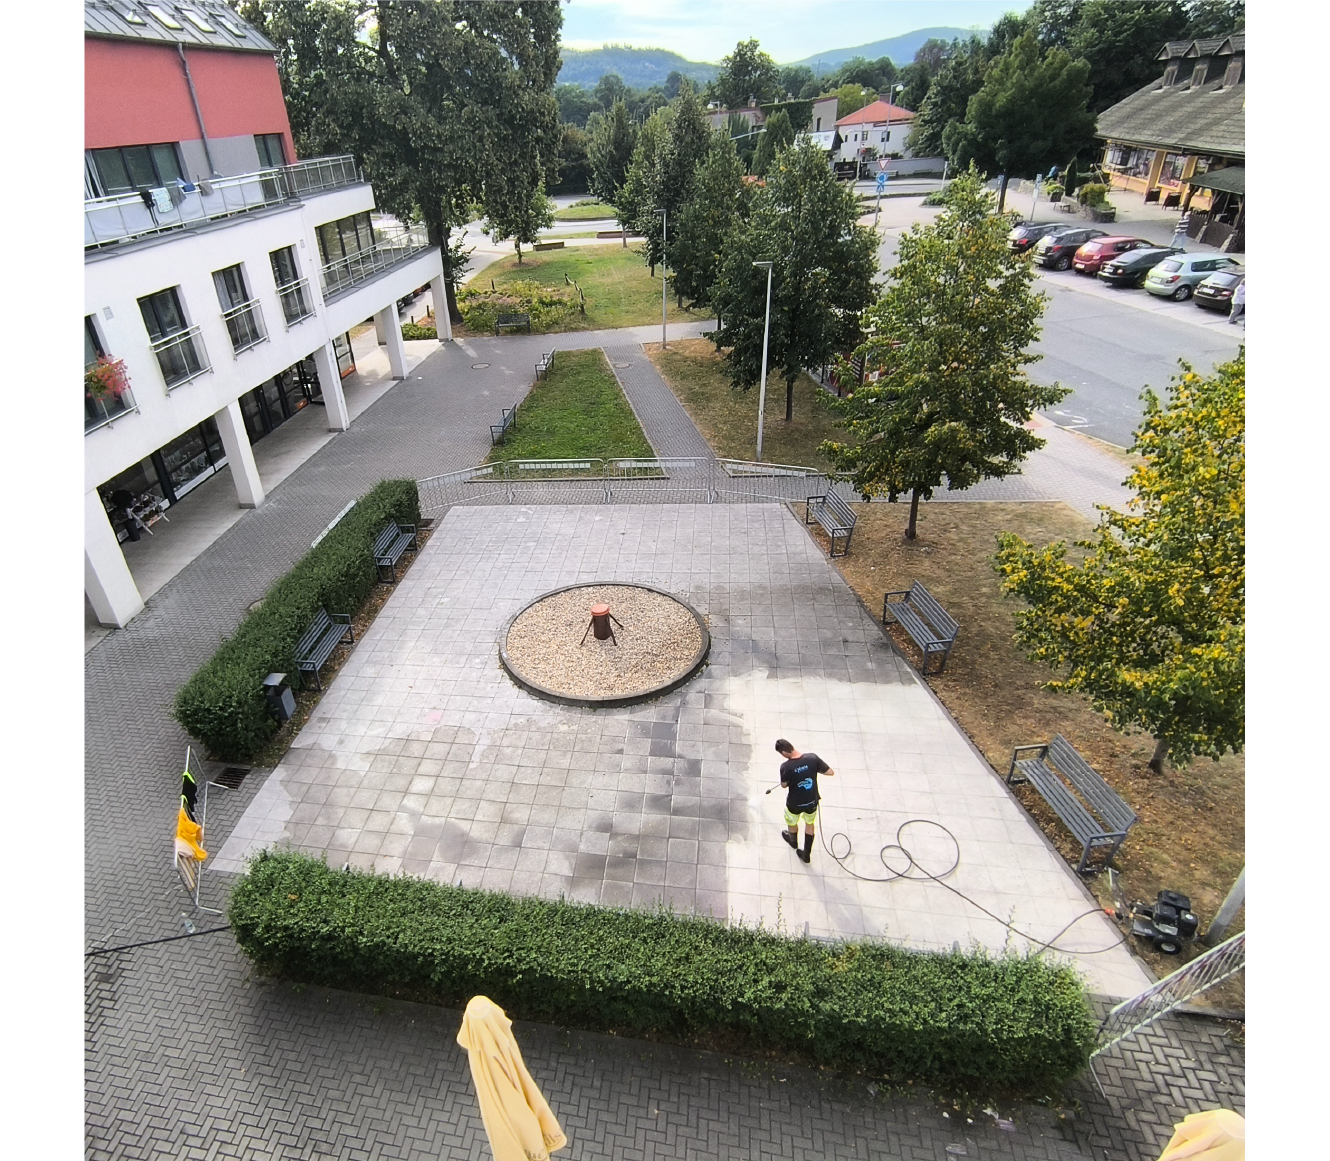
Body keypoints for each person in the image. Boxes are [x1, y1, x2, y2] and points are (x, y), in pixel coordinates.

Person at [775, 739, 834, 864]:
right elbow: (830, 772)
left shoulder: (785, 767)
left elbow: (784, 785)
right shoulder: (812, 758)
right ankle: (806, 854)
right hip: (811, 801)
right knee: (809, 823)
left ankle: (793, 841)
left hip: (794, 803)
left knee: (792, 821)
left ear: (784, 753)